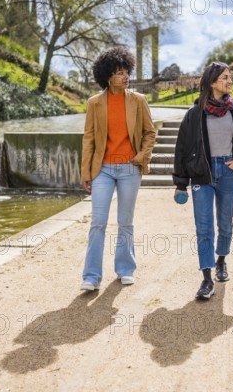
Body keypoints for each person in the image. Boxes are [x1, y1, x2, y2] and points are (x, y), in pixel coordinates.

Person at [173, 62, 233, 300]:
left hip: (229, 172)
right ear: (211, 82)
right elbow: (181, 148)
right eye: (225, 78)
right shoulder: (194, 114)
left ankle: (221, 260)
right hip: (203, 174)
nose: (230, 81)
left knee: (226, 224)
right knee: (204, 227)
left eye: (231, 78)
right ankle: (207, 278)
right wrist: (180, 183)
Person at [80, 47, 156, 290]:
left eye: (127, 72)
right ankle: (91, 277)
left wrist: (141, 157)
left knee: (125, 222)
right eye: (120, 73)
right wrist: (85, 172)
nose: (126, 77)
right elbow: (89, 138)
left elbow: (149, 133)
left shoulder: (138, 100)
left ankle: (125, 269)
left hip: (129, 170)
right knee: (98, 223)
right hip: (102, 169)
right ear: (107, 76)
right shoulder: (94, 103)